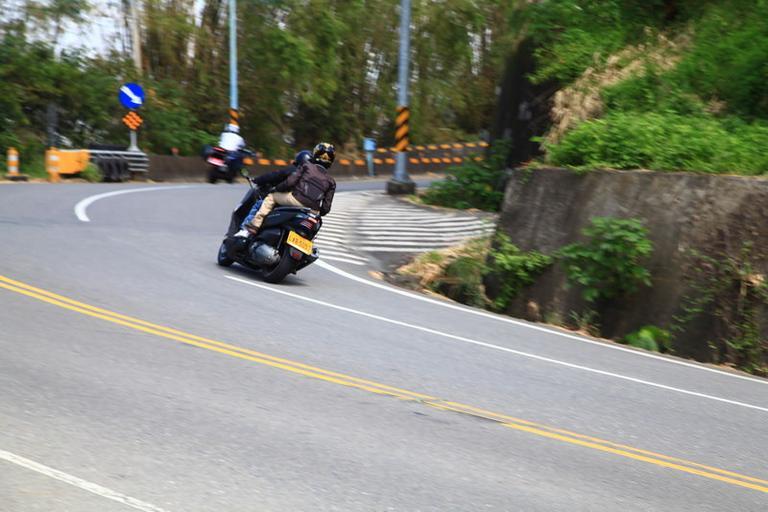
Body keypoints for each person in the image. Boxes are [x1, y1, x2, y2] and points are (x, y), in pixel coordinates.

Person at [235, 143, 336, 237]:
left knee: (271, 197)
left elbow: (289, 182)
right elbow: (326, 207)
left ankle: (254, 226)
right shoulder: (331, 181)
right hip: (312, 211)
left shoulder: (307, 167)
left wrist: (276, 189)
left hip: (296, 200)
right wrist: (318, 211)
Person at [239, 150, 313, 229]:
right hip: (308, 205)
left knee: (260, 204)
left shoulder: (294, 170)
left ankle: (247, 227)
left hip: (291, 199)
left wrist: (256, 180)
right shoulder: (312, 175)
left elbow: (273, 175)